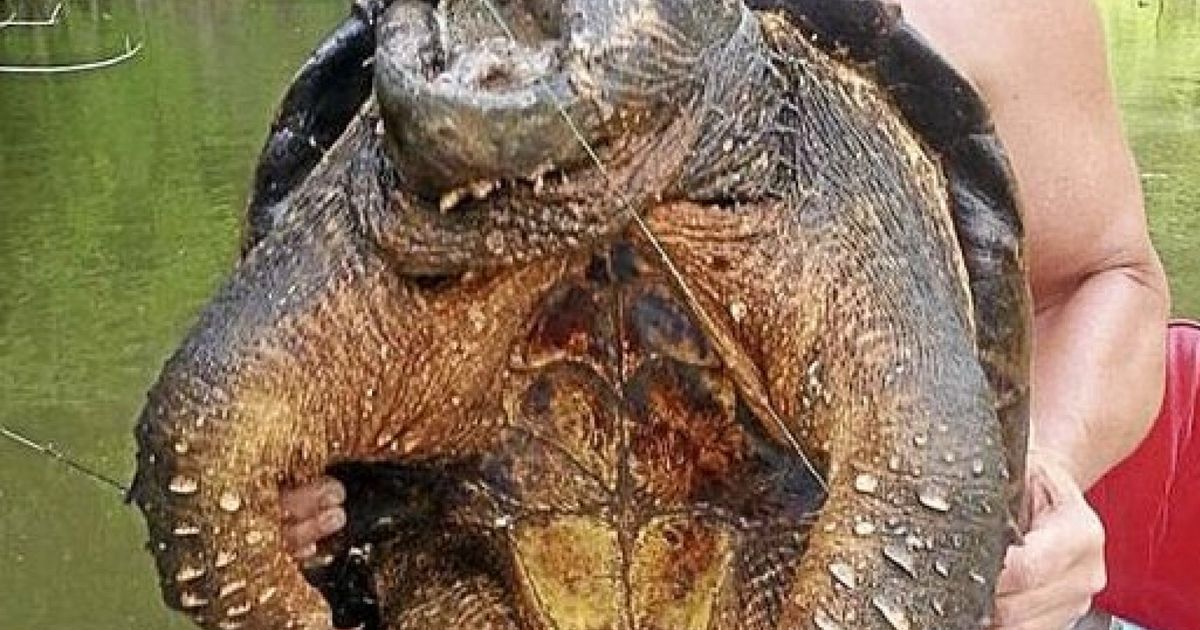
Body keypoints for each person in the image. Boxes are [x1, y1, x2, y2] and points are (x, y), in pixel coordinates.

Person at [280, 1, 1172, 629]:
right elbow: (294, 386)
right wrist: (280, 497)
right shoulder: (435, 39)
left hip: (882, 579)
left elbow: (1108, 277)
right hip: (464, 584)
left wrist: (1046, 462)